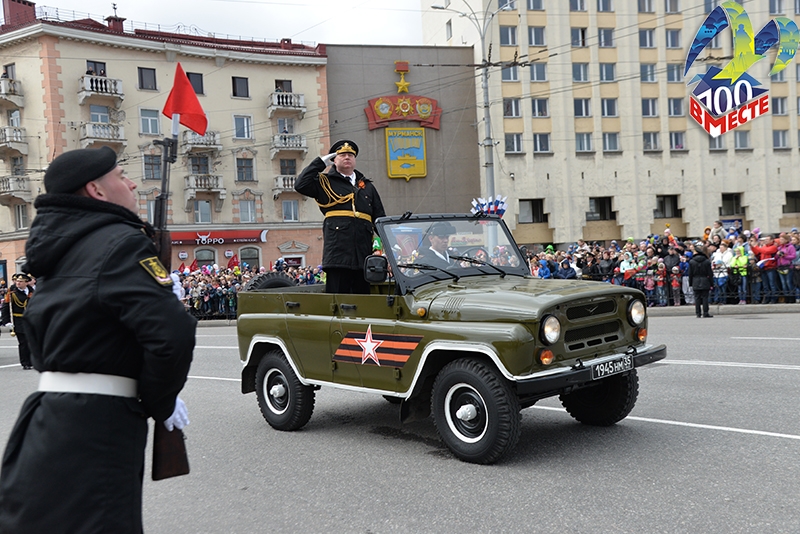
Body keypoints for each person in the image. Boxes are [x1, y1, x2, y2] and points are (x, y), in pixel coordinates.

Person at [0, 146, 196, 533]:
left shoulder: (61, 249)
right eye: (121, 175)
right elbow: (171, 335)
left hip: (47, 414)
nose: (132, 183)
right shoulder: (120, 242)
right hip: (98, 423)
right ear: (97, 190)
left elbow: (51, 339)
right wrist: (159, 402)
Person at [295, 139, 386, 294]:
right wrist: (320, 163)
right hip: (337, 255)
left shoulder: (367, 186)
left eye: (351, 155)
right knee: (338, 300)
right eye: (342, 155)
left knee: (363, 300)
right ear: (334, 160)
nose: (347, 157)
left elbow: (379, 219)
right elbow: (300, 185)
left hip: (363, 255)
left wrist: (390, 247)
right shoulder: (324, 182)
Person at [7, 273, 33, 369]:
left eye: (21, 281)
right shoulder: (12, 293)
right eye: (17, 281)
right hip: (18, 320)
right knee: (23, 342)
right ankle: (25, 362)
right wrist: (7, 321)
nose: (18, 283)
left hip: (31, 320)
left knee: (31, 341)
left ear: (26, 283)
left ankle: (31, 361)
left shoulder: (32, 292)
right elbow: (6, 307)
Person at [689, 244, 714, 318]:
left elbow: (690, 274)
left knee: (697, 297)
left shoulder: (692, 262)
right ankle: (705, 312)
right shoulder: (706, 261)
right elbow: (710, 273)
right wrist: (711, 283)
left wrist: (690, 283)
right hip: (705, 280)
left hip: (695, 280)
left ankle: (698, 313)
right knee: (705, 297)